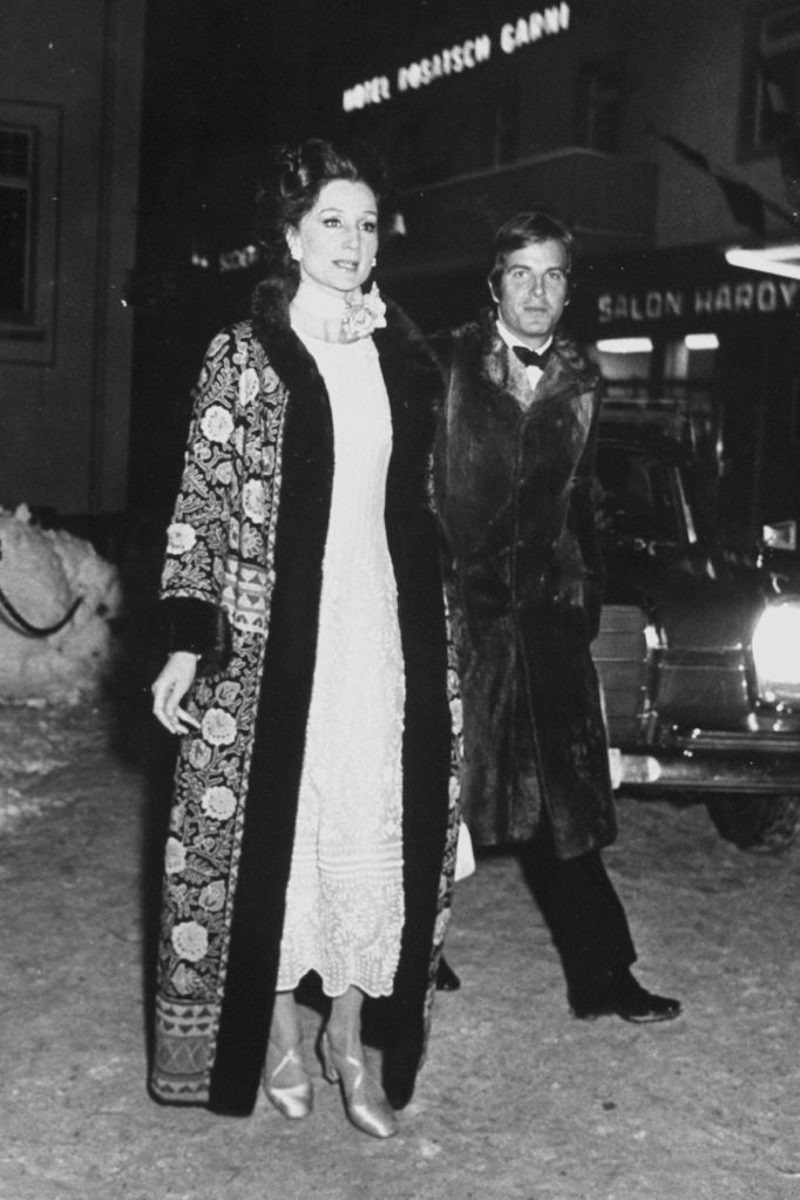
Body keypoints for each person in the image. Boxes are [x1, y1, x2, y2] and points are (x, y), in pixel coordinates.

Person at [150, 137, 455, 1136]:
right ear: (288, 235)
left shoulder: (402, 356)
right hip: (270, 640)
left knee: (370, 832)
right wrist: (187, 638)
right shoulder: (244, 356)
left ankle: (350, 1034)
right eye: (330, 219)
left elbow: (431, 506)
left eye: (366, 223)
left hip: (379, 635)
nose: (351, 240)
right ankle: (279, 1028)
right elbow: (200, 497)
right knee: (273, 842)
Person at [432, 211, 681, 1024]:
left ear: (569, 287)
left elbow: (579, 503)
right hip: (456, 623)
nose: (537, 292)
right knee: (432, 800)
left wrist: (582, 600)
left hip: (545, 628)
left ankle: (605, 977)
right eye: (521, 274)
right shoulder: (447, 363)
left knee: (565, 812)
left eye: (554, 275)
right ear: (494, 282)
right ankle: (405, 955)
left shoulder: (581, 378)